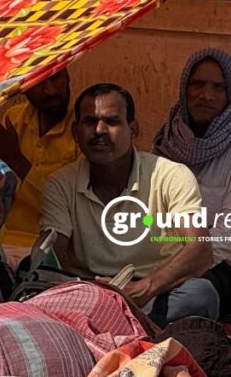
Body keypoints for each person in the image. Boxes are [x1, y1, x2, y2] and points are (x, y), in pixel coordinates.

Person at [41, 83, 218, 326]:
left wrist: (143, 288)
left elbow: (200, 249)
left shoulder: (171, 175)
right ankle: (121, 325)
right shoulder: (61, 183)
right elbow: (50, 254)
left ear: (133, 129)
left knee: (200, 295)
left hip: (152, 293)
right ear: (75, 132)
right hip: (90, 295)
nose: (99, 130)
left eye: (111, 122)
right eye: (89, 122)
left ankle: (110, 327)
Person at [154, 49, 231, 316]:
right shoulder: (171, 138)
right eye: (197, 84)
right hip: (160, 254)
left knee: (187, 301)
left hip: (221, 268)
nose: (206, 95)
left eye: (218, 88)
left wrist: (166, 273)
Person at [0, 69, 77, 249]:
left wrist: (16, 160)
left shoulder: (85, 126)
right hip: (5, 241)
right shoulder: (14, 118)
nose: (51, 91)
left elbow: (72, 206)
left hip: (56, 246)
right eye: (39, 84)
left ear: (68, 75)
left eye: (56, 78)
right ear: (23, 88)